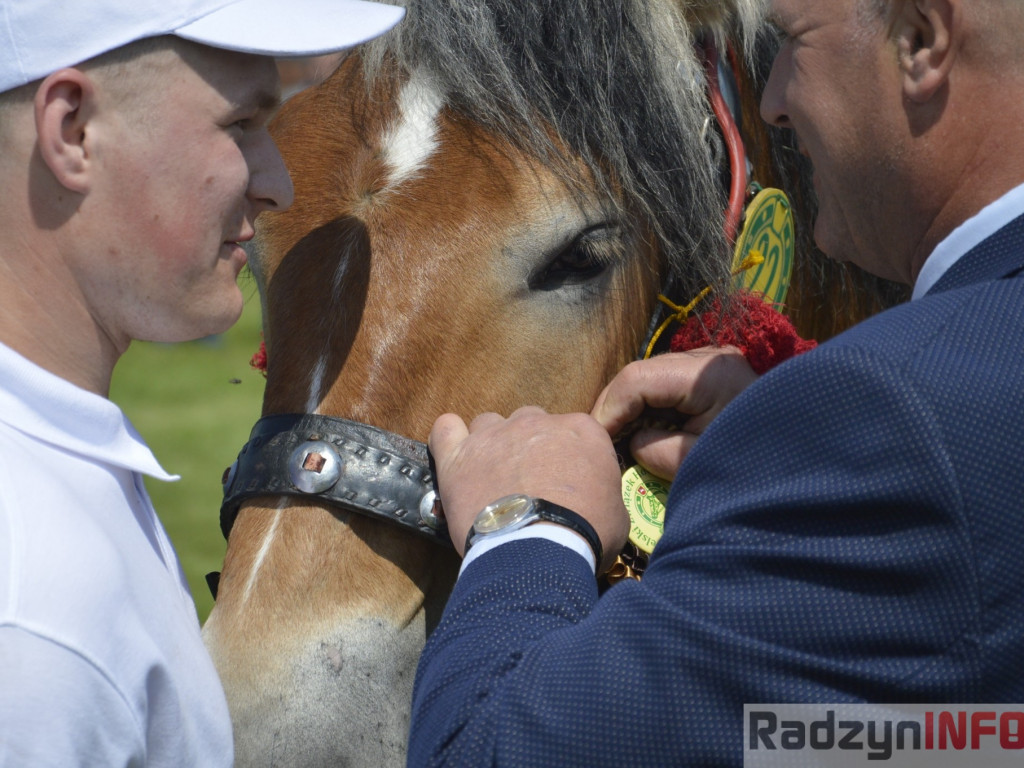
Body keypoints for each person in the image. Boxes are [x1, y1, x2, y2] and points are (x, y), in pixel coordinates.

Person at [408, 0, 1024, 764]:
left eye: (790, 46)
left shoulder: (893, 413)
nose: (772, 105)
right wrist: (795, 454)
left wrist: (528, 525)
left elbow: (490, 750)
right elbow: (980, 740)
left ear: (923, 40)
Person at [0, 0, 403, 764]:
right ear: (72, 131)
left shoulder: (51, 479)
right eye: (242, 125)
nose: (278, 183)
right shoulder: (30, 611)